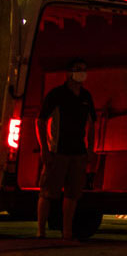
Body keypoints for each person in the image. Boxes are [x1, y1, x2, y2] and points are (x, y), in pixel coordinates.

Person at [35, 58, 96, 241]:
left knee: (73, 194)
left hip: (78, 152)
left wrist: (90, 150)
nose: (82, 73)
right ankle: (41, 232)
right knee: (47, 192)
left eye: (84, 69)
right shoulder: (56, 95)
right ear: (69, 72)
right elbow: (40, 120)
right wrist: (44, 149)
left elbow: (92, 125)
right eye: (78, 69)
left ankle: (67, 232)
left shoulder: (86, 97)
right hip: (58, 151)